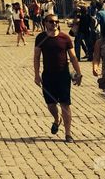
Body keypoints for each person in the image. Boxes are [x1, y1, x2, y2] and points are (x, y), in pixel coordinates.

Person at [33, 13, 82, 142]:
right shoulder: (40, 38)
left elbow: (72, 57)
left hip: (63, 75)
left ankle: (68, 133)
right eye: (51, 21)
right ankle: (56, 119)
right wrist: (36, 75)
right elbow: (37, 57)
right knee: (51, 104)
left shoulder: (65, 38)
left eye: (56, 21)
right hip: (48, 75)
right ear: (45, 23)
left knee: (65, 104)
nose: (54, 24)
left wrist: (78, 72)